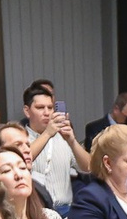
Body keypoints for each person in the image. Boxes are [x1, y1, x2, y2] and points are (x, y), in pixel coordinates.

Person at [20, 82, 88, 211]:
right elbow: (22, 160)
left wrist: (72, 141)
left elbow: (88, 168)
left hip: (66, 209)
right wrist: (47, 133)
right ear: (27, 111)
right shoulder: (20, 138)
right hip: (36, 211)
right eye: (40, 108)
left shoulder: (63, 137)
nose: (46, 113)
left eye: (50, 108)